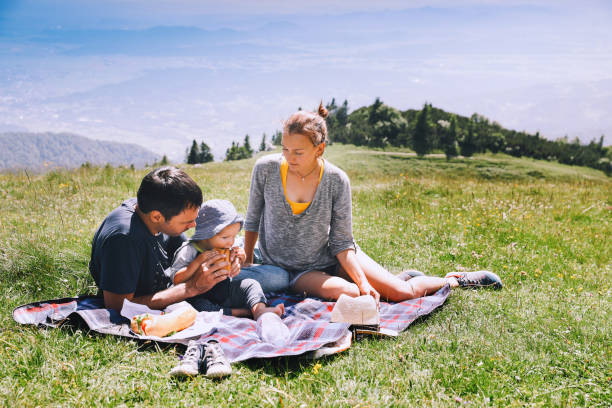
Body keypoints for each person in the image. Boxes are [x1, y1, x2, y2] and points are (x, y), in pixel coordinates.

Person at [241, 103, 502, 304]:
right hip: (296, 272)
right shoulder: (266, 169)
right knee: (357, 294)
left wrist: (362, 278)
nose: (288, 157)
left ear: (319, 149)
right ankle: (391, 281)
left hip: (336, 256)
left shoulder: (336, 180)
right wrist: (249, 262)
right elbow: (252, 220)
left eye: (298, 152)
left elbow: (342, 243)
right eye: (285, 149)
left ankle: (454, 280)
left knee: (402, 295)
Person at [89, 167, 231, 312]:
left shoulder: (154, 209)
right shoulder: (124, 240)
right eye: (186, 222)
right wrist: (191, 288)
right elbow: (117, 306)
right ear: (156, 217)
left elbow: (190, 253)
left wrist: (230, 256)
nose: (193, 225)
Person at [166, 199, 284, 319]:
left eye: (234, 236)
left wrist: (240, 258)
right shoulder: (189, 250)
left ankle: (259, 309)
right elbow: (176, 280)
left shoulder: (225, 246)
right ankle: (244, 313)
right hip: (200, 297)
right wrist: (197, 262)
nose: (231, 242)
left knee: (251, 284)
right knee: (201, 308)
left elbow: (237, 265)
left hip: (226, 292)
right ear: (206, 235)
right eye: (225, 237)